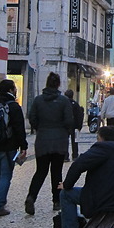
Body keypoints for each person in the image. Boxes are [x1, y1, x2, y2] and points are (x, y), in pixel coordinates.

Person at [25, 72, 73, 215]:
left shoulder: (38, 100)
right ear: (58, 84)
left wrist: (40, 128)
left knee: (40, 171)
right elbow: (69, 121)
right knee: (56, 172)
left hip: (43, 140)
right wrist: (64, 131)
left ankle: (31, 197)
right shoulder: (64, 101)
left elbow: (31, 117)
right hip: (59, 141)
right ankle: (56, 201)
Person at [0, 79, 28, 216]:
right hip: (9, 146)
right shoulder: (14, 107)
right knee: (6, 175)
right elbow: (19, 128)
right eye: (14, 88)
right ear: (10, 90)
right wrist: (23, 146)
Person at [64, 89, 85, 162]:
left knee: (65, 141)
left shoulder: (64, 104)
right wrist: (79, 126)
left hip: (65, 126)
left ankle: (65, 156)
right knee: (75, 141)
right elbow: (79, 116)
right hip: (75, 126)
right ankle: (75, 155)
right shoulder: (75, 104)